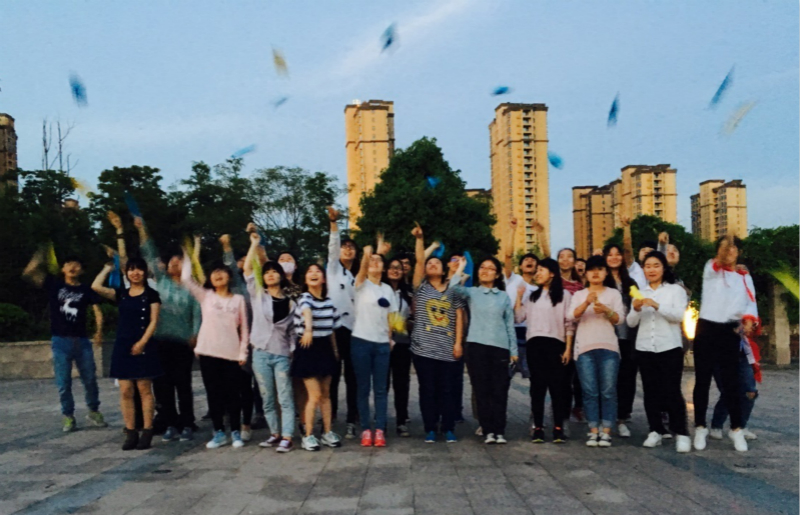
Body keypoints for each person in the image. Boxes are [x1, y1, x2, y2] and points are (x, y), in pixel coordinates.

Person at [23, 251, 107, 433]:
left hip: (82, 341)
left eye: (77, 264)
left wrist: (99, 330)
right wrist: (40, 254)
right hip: (60, 341)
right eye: (69, 264)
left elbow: (97, 310)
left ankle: (94, 411)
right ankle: (68, 415)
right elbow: (29, 272)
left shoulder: (85, 290)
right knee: (64, 383)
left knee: (90, 379)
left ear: (82, 270)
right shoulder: (55, 285)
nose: (72, 267)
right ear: (63, 269)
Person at [136, 217, 201, 442]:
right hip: (160, 340)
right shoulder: (161, 281)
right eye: (172, 261)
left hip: (182, 342)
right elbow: (149, 253)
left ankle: (187, 423)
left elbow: (197, 313)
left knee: (183, 384)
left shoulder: (191, 288)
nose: (174, 263)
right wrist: (142, 230)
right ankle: (170, 423)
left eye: (179, 261)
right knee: (163, 385)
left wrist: (195, 334)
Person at [181, 254, 250, 450]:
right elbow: (186, 279)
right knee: (214, 394)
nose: (218, 275)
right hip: (208, 352)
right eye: (214, 272)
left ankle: (235, 431)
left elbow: (244, 329)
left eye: (222, 272)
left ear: (229, 277)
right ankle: (219, 432)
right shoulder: (206, 297)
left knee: (233, 394)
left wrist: (243, 352)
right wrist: (188, 258)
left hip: (231, 354)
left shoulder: (238, 300)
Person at [92, 257, 162, 450]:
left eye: (139, 269)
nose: (135, 273)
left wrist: (142, 342)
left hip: (144, 344)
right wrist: (107, 268)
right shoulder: (121, 294)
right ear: (126, 273)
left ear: (145, 272)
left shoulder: (152, 295)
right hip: (123, 345)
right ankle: (130, 432)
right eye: (131, 269)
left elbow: (154, 321)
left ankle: (147, 430)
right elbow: (96, 286)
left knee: (144, 389)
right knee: (125, 390)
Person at [626, 251, 691, 453]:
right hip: (645, 347)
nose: (651, 270)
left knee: (672, 390)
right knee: (650, 391)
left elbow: (678, 316)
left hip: (669, 347)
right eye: (647, 266)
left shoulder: (675, 290)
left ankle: (681, 432)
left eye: (656, 265)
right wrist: (636, 309)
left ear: (663, 268)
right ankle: (655, 430)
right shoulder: (640, 291)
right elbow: (630, 322)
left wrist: (656, 305)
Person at [693, 235, 753, 452]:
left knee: (731, 382)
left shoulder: (744, 276)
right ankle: (700, 427)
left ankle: (736, 428)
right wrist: (727, 239)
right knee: (703, 381)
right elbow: (719, 260)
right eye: (725, 247)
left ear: (739, 252)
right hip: (707, 328)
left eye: (734, 248)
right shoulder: (711, 268)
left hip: (729, 331)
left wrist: (748, 321)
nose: (729, 251)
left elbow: (750, 303)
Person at [450, 256, 517, 444]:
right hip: (476, 346)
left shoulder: (503, 297)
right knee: (481, 390)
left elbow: (509, 325)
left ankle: (499, 430)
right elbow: (453, 288)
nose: (485, 271)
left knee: (499, 390)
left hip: (500, 347)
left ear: (497, 275)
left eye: (490, 268)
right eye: (482, 267)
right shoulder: (472, 292)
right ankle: (487, 430)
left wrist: (514, 351)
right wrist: (460, 268)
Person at [410, 223, 466, 443]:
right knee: (428, 390)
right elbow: (418, 261)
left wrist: (458, 343)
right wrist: (420, 240)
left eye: (437, 263)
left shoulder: (454, 289)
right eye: (429, 263)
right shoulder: (421, 287)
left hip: (448, 349)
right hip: (423, 350)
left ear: (444, 270)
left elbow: (459, 316)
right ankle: (430, 428)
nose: (432, 264)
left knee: (447, 390)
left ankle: (448, 427)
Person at [243, 233, 297, 453]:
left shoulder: (290, 302)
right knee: (267, 397)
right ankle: (275, 433)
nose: (271, 274)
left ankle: (287, 436)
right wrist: (254, 244)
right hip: (260, 352)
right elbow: (247, 269)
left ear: (281, 276)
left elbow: (293, 331)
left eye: (275, 271)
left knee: (285, 396)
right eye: (267, 272)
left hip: (282, 353)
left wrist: (292, 350)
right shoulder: (258, 295)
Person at [514, 258, 574, 444]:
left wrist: (568, 349)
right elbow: (519, 317)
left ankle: (558, 427)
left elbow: (569, 324)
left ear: (552, 273)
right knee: (537, 388)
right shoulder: (532, 296)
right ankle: (538, 427)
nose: (538, 273)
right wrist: (519, 297)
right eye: (537, 270)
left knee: (557, 387)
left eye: (542, 270)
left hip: (556, 344)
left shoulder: (564, 295)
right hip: (535, 345)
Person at [568, 256, 626, 448]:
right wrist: (586, 303)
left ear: (606, 273)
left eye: (600, 269)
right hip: (585, 348)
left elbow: (620, 319)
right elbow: (571, 316)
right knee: (590, 392)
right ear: (585, 273)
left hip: (609, 348)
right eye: (591, 269)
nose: (595, 273)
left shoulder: (613, 294)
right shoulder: (579, 294)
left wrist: (606, 311)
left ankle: (606, 430)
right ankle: (593, 430)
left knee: (608, 391)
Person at [292, 264, 343, 451]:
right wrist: (308, 329)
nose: (313, 273)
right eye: (309, 271)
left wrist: (335, 351)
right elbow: (306, 310)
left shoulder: (329, 302)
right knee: (314, 395)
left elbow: (332, 329)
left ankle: (328, 432)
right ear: (305, 279)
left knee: (326, 395)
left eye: (318, 271)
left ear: (324, 279)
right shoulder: (304, 298)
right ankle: (308, 435)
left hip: (325, 349)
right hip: (308, 348)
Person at [351, 244, 398, 447]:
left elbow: (392, 317)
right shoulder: (360, 284)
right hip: (361, 341)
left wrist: (390, 337)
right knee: (363, 388)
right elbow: (362, 271)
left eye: (379, 261)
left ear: (384, 267)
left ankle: (379, 429)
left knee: (380, 389)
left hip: (381, 345)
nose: (374, 263)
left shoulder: (387, 289)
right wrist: (366, 255)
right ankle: (365, 429)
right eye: (372, 260)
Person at [710, 271, 761, 442]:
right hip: (721, 354)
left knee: (750, 391)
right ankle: (717, 425)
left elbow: (755, 325)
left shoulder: (746, 304)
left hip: (742, 353)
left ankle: (741, 426)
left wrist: (750, 325)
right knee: (728, 391)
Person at [325, 207, 360, 438]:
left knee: (353, 377)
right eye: (344, 247)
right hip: (334, 330)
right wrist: (333, 224)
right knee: (333, 376)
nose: (347, 250)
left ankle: (352, 418)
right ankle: (331, 416)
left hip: (355, 331)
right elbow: (332, 246)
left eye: (351, 247)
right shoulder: (333, 269)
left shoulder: (358, 277)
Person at [603, 243, 639, 439]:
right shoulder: (601, 281)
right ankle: (605, 418)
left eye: (617, 254)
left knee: (627, 379)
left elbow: (638, 302)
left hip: (627, 338)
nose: (614, 257)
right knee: (608, 380)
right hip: (606, 337)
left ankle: (622, 418)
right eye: (610, 254)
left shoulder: (630, 282)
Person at [503, 218, 542, 381]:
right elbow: (508, 255)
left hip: (530, 334)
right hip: (510, 332)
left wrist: (541, 234)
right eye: (526, 260)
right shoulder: (513, 279)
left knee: (534, 378)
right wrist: (512, 231)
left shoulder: (540, 289)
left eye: (533, 260)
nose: (530, 261)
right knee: (504, 378)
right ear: (520, 266)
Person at [557, 247, 585, 423]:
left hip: (577, 336)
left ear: (575, 261)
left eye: (569, 257)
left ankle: (576, 408)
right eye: (561, 256)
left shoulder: (581, 287)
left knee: (577, 377)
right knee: (561, 379)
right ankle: (561, 415)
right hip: (557, 335)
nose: (565, 260)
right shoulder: (553, 283)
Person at [386, 257, 413, 437]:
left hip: (402, 341)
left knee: (401, 383)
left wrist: (408, 323)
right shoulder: (380, 289)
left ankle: (401, 420)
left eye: (399, 268)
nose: (395, 270)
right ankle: (381, 419)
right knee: (382, 382)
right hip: (382, 340)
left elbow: (414, 315)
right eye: (391, 267)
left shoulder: (408, 292)